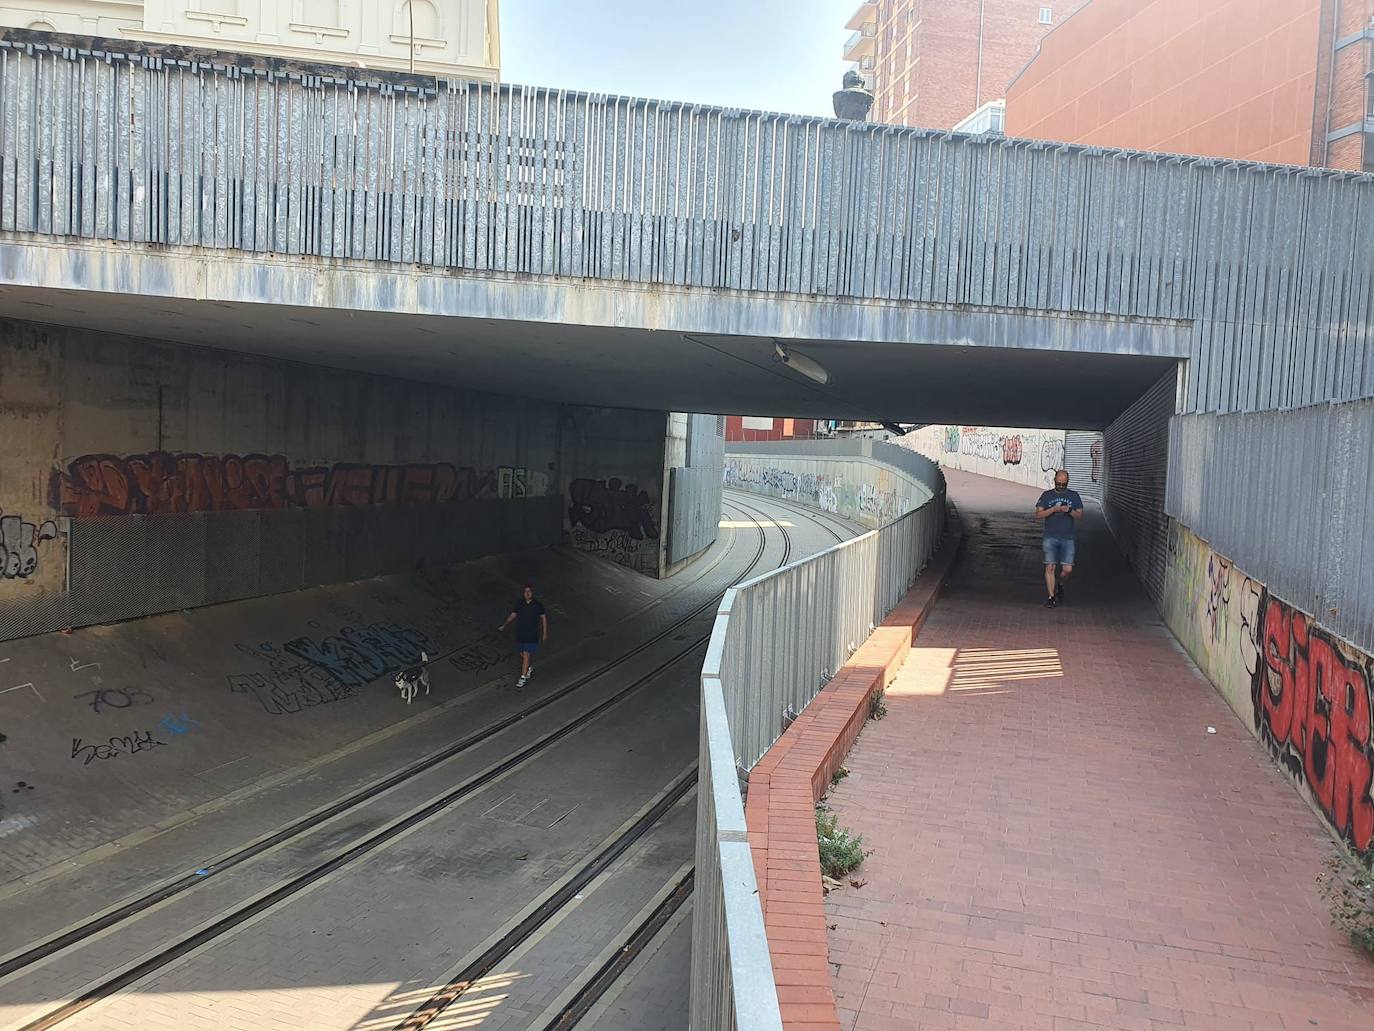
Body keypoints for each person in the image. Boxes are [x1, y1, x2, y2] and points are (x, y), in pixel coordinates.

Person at [1035, 470, 1083, 608]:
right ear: (1054, 480)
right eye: (1058, 483)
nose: (1061, 486)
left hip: (1068, 538)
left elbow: (1079, 516)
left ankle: (1060, 584)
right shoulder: (1047, 495)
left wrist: (1069, 511)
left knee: (1068, 569)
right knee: (1050, 566)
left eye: (1064, 484)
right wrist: (1054, 510)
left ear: (1067, 482)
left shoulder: (1074, 496)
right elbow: (1038, 514)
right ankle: (1051, 597)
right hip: (1050, 536)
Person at [499, 584, 548, 688]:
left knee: (526, 654)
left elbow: (543, 618)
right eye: (525, 592)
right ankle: (528, 667)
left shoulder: (538, 605)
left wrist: (544, 632)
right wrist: (504, 624)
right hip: (521, 634)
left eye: (529, 591)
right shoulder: (520, 603)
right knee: (522, 653)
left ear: (532, 593)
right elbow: (513, 615)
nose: (527, 593)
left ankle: (523, 677)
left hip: (532, 634)